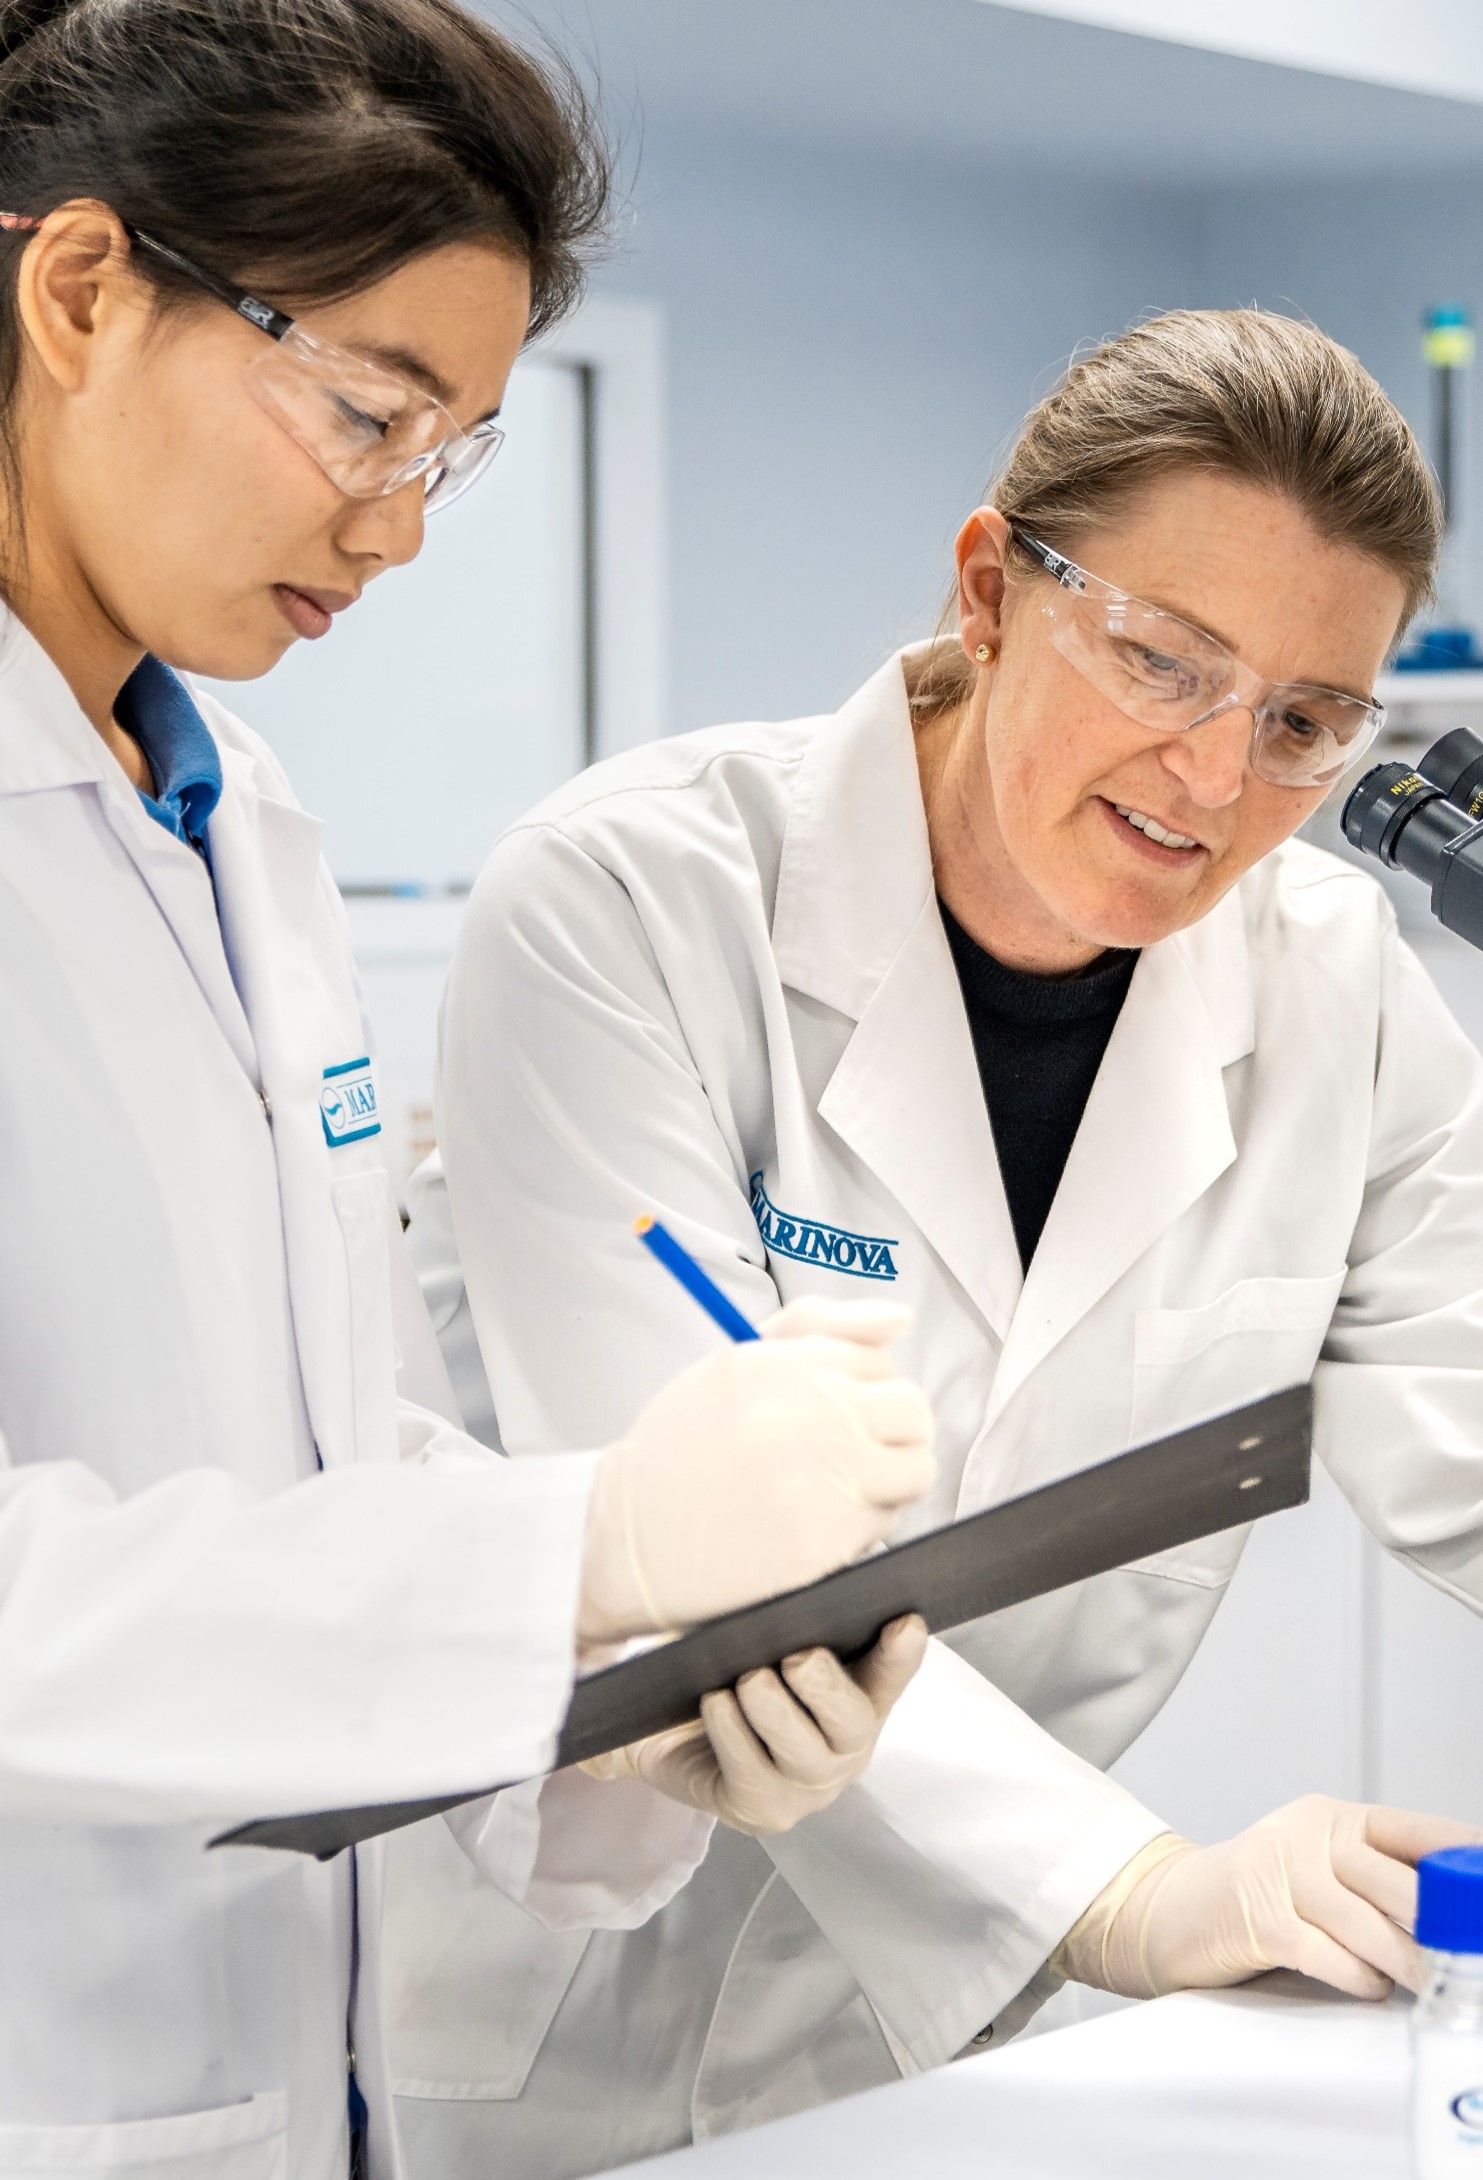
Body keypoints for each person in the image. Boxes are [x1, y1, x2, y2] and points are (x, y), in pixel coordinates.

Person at [0, 3, 942, 2173]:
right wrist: (576, 1543)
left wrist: (621, 1694)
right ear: (76, 292)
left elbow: (305, 1445)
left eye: (451, 453)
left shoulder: (248, 828)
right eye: (365, 412)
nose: (396, 531)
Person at [404, 308, 1483, 2175]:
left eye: (1307, 724)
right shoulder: (631, 901)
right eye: (1163, 661)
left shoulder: (1339, 986)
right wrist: (1136, 1892)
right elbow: (699, 1559)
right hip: (535, 2004)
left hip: (917, 2057)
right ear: (990, 588)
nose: (1220, 784)